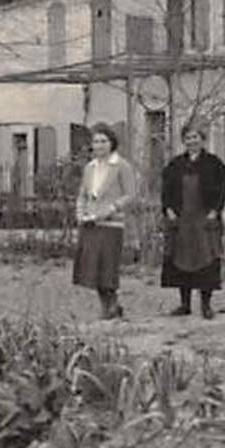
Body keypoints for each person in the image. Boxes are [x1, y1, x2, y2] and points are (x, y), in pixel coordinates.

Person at [160, 121, 225, 318]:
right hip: (182, 221)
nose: (192, 141)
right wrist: (168, 209)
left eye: (195, 137)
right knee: (181, 261)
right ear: (183, 141)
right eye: (188, 138)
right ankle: (185, 304)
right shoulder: (175, 165)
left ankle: (206, 305)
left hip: (204, 219)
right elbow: (165, 191)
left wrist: (215, 211)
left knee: (206, 260)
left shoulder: (214, 164)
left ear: (202, 139)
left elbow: (223, 191)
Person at [72, 122, 137, 320]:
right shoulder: (90, 168)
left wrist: (111, 209)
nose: (99, 145)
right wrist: (81, 213)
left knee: (108, 266)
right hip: (91, 223)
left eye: (103, 141)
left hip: (111, 224)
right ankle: (105, 306)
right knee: (93, 268)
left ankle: (113, 304)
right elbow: (83, 194)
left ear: (111, 143)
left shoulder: (121, 166)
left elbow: (130, 194)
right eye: (96, 141)